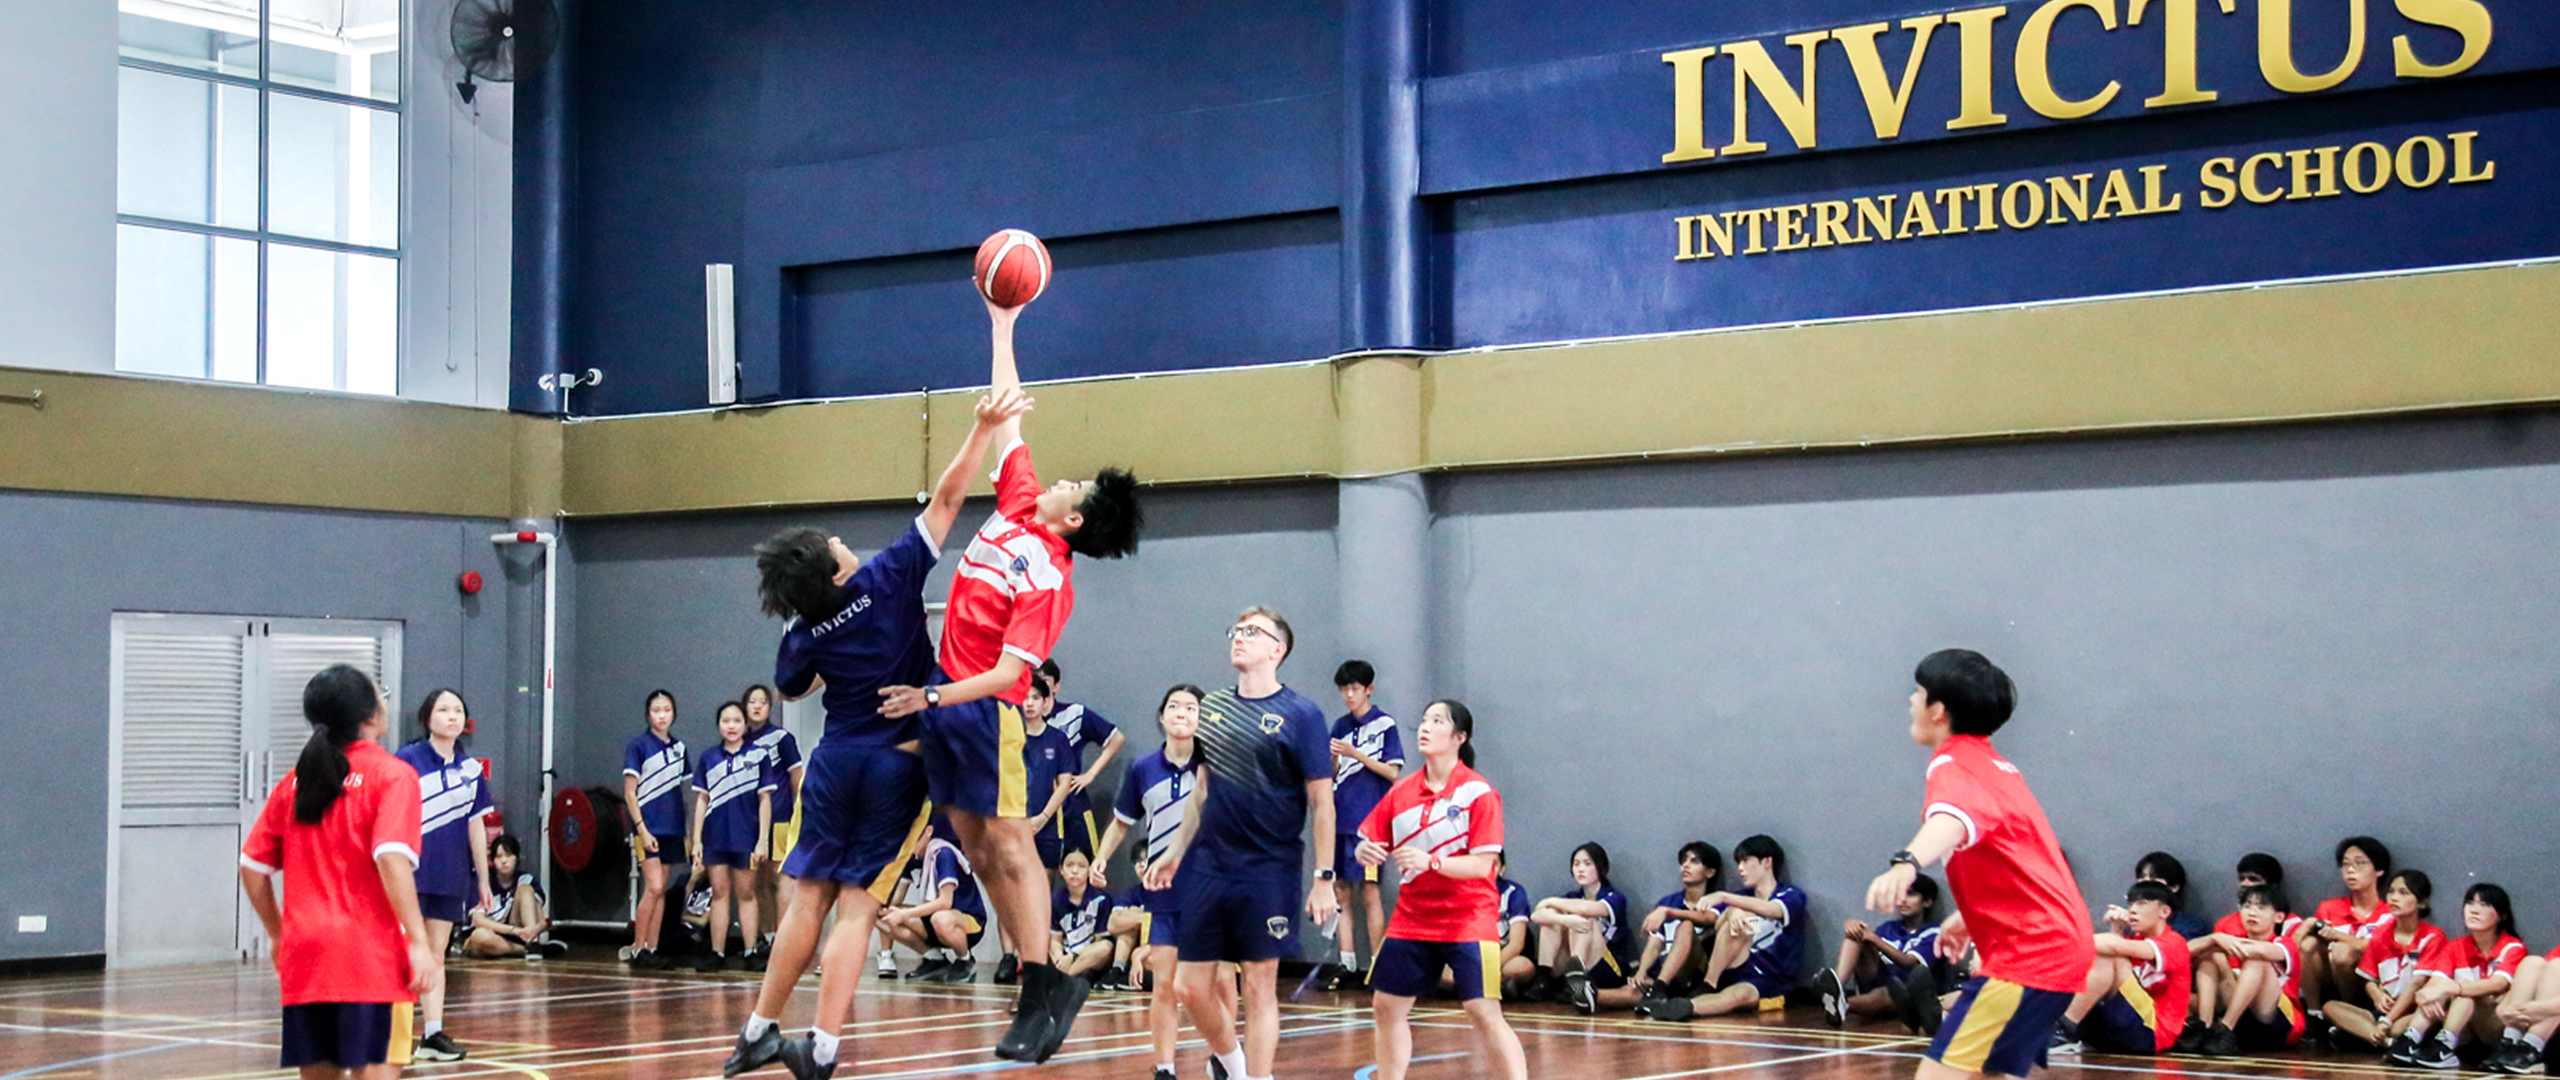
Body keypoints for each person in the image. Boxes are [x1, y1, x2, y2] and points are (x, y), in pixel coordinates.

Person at [724, 388, 1026, 1080]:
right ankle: (823, 1048)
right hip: (897, 761)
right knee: (857, 909)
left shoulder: (801, 633)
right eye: (836, 543)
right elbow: (946, 503)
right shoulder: (888, 578)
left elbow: (794, 687)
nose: (843, 541)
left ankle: (757, 1030)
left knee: (808, 897)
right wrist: (980, 433)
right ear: (836, 567)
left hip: (835, 761)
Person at [875, 296, 1144, 1064]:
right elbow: (1013, 417)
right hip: (948, 702)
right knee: (973, 845)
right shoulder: (1024, 503)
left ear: (1076, 522)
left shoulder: (1051, 580)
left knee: (1011, 845)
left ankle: (1041, 980)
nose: (1062, 477)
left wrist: (930, 694)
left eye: (1076, 486)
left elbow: (1008, 675)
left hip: (981, 709)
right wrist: (1002, 323)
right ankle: (1042, 976)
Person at [1864, 649, 2093, 1080]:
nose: (1911, 701)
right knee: (2007, 1071)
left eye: (1918, 692)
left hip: (2031, 955)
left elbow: (1949, 820)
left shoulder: (1954, 765)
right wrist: (1968, 914)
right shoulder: (1995, 765)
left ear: (1939, 711)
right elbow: (2015, 854)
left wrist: (1905, 864)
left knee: (1939, 1076)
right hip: (2060, 945)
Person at [1144, 607, 1336, 1080]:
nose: (1239, 638)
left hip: (1270, 867)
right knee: (1188, 987)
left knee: (1259, 984)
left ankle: (1258, 1077)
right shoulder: (1212, 709)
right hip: (1211, 865)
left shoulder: (1303, 715)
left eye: (1253, 632)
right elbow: (1202, 791)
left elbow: (1322, 802)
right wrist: (1175, 851)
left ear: (1278, 649)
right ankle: (1233, 1063)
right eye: (1237, 630)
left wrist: (1324, 878)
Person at [239, 664, 432, 1080]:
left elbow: (252, 868)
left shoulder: (296, 782)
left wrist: (277, 934)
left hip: (306, 956)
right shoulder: (393, 776)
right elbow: (390, 857)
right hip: (370, 959)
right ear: (370, 716)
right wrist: (418, 941)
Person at [1354, 699, 1528, 1080]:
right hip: (1412, 919)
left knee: (1483, 1012)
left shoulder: (1478, 793)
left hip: (1468, 918)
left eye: (1438, 721)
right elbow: (1369, 838)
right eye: (1423, 720)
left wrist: (1431, 862)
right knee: (1386, 1006)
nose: (1425, 727)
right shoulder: (1401, 792)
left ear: (1459, 737)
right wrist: (1363, 848)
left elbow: (1484, 865)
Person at [1094, 684, 1207, 1080]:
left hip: (1209, 890)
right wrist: (1101, 857)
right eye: (1174, 706)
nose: (1182, 713)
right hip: (1163, 893)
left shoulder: (1214, 768)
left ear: (1202, 718)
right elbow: (1121, 823)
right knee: (1165, 985)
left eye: (1191, 707)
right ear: (1162, 716)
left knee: (1217, 984)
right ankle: (1164, 1066)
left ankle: (1225, 1057)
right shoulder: (1142, 769)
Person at [390, 689, 492, 1063]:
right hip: (411, 874)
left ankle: (432, 1034)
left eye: (459, 711)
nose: (452, 716)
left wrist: (482, 878)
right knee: (402, 954)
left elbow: (476, 825)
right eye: (444, 710)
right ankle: (392, 1036)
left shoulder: (471, 769)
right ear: (426, 717)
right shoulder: (407, 759)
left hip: (450, 875)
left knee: (435, 955)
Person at [1639, 834, 1809, 1021]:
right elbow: (1714, 921)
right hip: (1731, 969)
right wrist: (1732, 912)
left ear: (1767, 862)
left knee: (1738, 996)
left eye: (1745, 861)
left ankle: (1685, 1007)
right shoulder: (1740, 896)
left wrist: (1727, 900)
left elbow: (1772, 909)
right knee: (1731, 916)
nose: (1740, 869)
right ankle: (1707, 985)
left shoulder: (1791, 894)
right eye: (1738, 863)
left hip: (1769, 979)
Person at [1324, 659, 1404, 992]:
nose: (1349, 695)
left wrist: (1356, 754)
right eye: (1344, 690)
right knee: (1342, 892)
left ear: (1368, 689)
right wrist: (1332, 758)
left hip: (1369, 824)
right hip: (1339, 819)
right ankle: (1348, 963)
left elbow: (1393, 772)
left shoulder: (1385, 724)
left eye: (1354, 689)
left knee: (1370, 893)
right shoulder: (1339, 726)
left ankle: (1378, 966)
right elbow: (1329, 775)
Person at [999, 673, 1079, 983]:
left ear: (1046, 702)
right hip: (1011, 826)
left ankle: (1031, 957)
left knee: (1037, 895)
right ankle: (1008, 956)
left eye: (1035, 698)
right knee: (1008, 892)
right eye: (1024, 697)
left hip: (1045, 829)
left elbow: (1064, 782)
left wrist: (1043, 817)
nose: (1029, 703)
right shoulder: (1007, 736)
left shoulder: (1057, 739)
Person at [2050, 882, 2191, 1057]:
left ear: (2164, 912)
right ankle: (2052, 1025)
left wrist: (2057, 942)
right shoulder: (2133, 940)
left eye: (2142, 904)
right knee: (2095, 957)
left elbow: (2115, 948)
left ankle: (2062, 1031)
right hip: (2122, 1024)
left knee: (2109, 956)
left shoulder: (2174, 942)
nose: (2133, 910)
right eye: (2131, 904)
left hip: (2151, 1033)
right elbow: (2110, 963)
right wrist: (2117, 928)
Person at [2394, 883, 2525, 1069]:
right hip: (2463, 1025)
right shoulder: (2456, 946)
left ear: (2502, 915)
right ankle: (2410, 1040)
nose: (2474, 910)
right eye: (2470, 903)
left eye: (2485, 905)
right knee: (2430, 999)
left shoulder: (2513, 947)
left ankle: (2442, 1047)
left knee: (2464, 993)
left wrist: (2453, 988)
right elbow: (2437, 981)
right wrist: (2426, 994)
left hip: (2496, 1025)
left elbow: (2498, 984)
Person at [691, 700, 777, 973]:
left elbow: (765, 800)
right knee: (719, 893)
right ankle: (717, 952)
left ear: (744, 724)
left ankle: (752, 951)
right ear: (719, 725)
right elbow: (702, 801)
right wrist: (697, 840)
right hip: (715, 837)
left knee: (747, 893)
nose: (731, 726)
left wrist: (763, 838)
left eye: (736, 721)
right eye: (726, 721)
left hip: (746, 837)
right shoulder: (708, 758)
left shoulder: (759, 756)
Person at [2322, 869, 2443, 1052]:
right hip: (2382, 1011)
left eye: (2403, 893)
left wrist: (2388, 1021)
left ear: (2422, 901)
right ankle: (2385, 1042)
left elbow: (2417, 985)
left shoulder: (2433, 937)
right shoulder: (2380, 935)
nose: (2394, 898)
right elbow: (2369, 979)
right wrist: (2377, 995)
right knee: (2329, 1007)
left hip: (2413, 1010)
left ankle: (2363, 1036)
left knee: (2399, 1027)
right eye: (2391, 891)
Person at [1595, 842, 1721, 1014]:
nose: (1685, 865)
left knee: (1685, 926)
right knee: (1631, 992)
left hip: (1693, 975)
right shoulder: (1668, 902)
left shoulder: (1716, 901)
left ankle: (1659, 989)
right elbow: (1654, 944)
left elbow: (1707, 918)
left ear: (1710, 872)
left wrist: (1668, 912)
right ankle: (1589, 995)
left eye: (1694, 861)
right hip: (1663, 974)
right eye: (1684, 861)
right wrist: (1641, 972)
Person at [1040, 658, 1126, 908]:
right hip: (1039, 809)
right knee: (1042, 878)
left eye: (1045, 682)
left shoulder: (1074, 714)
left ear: (1056, 685)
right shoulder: (1023, 720)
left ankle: (1090, 934)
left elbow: (1115, 738)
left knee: (1085, 871)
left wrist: (1091, 774)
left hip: (1074, 807)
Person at [2189, 883, 2306, 1056]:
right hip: (2244, 1023)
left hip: (2279, 1026)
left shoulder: (2284, 943)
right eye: (2247, 906)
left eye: (2261, 907)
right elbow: (2181, 952)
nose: (2252, 912)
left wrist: (2219, 942)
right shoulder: (2229, 941)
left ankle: (2225, 1028)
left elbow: (2259, 950)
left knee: (2256, 960)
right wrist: (2214, 938)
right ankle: (2205, 1028)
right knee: (2211, 958)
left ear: (2279, 917)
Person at [1824, 872, 1945, 1028]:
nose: (1902, 900)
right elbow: (1870, 949)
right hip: (1877, 978)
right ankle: (1836, 987)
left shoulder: (1935, 932)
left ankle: (1841, 1005)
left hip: (1906, 992)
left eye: (1911, 894)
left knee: (1887, 993)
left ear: (1927, 902)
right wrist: (1855, 928)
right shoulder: (1888, 928)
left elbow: (1909, 962)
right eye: (1899, 895)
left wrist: (1874, 939)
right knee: (1855, 934)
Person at [622, 689, 687, 971]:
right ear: (648, 714)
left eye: (667, 709)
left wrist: (689, 833)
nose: (662, 715)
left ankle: (652, 947)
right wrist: (642, 829)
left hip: (672, 827)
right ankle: (638, 948)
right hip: (646, 828)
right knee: (654, 886)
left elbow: (684, 792)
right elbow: (630, 793)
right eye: (656, 710)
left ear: (673, 713)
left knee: (661, 890)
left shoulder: (680, 749)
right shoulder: (638, 746)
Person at [879, 819, 990, 984]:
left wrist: (905, 914)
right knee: (879, 914)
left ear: (928, 831)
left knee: (941, 918)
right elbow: (895, 900)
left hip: (966, 921)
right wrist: (875, 901)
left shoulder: (943, 853)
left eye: (913, 836)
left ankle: (964, 959)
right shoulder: (912, 859)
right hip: (934, 920)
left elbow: (945, 902)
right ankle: (934, 959)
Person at [2299, 837, 2396, 1018]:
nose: (2350, 870)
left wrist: (2336, 935)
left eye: (2360, 864)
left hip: (2370, 985)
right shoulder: (2329, 907)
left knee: (2343, 951)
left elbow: (2372, 948)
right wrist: (2306, 926)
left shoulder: (2390, 913)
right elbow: (2294, 951)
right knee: (2308, 944)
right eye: (2345, 864)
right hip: (2330, 983)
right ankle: (2314, 1015)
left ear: (2379, 870)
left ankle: (2351, 1015)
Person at [742, 684, 803, 955]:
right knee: (756, 882)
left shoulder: (782, 738)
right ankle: (768, 937)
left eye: (763, 702)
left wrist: (801, 817)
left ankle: (785, 939)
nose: (757, 706)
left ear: (770, 707)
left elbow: (796, 779)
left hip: (779, 820)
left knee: (780, 881)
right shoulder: (738, 740)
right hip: (748, 823)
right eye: (752, 702)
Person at [1525, 843, 1628, 1002]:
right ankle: (1544, 979)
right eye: (1576, 864)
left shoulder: (1615, 897)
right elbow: (1536, 915)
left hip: (1606, 968)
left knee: (1582, 919)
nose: (1580, 869)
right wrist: (1564, 919)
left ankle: (1577, 979)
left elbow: (1585, 910)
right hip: (1567, 963)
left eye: (1587, 864)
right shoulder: (1572, 896)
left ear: (1601, 868)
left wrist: (1551, 901)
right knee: (1553, 917)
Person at [463, 835, 563, 960]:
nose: (504, 861)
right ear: (492, 860)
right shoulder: (483, 882)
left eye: (509, 855)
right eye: (499, 857)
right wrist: (513, 930)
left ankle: (532, 943)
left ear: (517, 858)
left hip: (520, 932)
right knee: (481, 937)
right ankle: (528, 950)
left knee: (526, 889)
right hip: (493, 933)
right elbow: (479, 921)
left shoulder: (526, 879)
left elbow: (542, 921)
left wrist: (534, 929)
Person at [2488, 944, 2560, 1073]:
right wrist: (2508, 1009)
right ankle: (2511, 1042)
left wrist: (2542, 1008)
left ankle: (2533, 1048)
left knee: (2558, 966)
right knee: (2532, 963)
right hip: (2537, 1018)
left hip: (2550, 1019)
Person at [1051, 849, 1118, 983]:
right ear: (1061, 869)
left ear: (1090, 870)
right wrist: (1059, 958)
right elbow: (1055, 939)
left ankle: (1064, 978)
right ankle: (1066, 974)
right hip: (1066, 954)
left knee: (1105, 947)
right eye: (1069, 865)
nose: (1075, 871)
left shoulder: (1101, 900)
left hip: (1088, 956)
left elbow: (1100, 941)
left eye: (1081, 866)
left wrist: (1073, 957)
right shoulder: (1054, 899)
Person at [2132, 852, 2212, 942]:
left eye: (2154, 878)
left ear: (2174, 887)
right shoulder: (2131, 926)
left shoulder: (2191, 926)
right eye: (2142, 877)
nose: (2146, 883)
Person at [1492, 854, 1537, 995]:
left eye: (1493, 864)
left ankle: (1487, 984)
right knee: (1447, 976)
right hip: (1475, 955)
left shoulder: (1513, 892)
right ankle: (1488, 986)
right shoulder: (1465, 892)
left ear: (1502, 868)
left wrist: (1488, 969)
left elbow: (1516, 944)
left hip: (1503, 956)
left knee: (1522, 967)